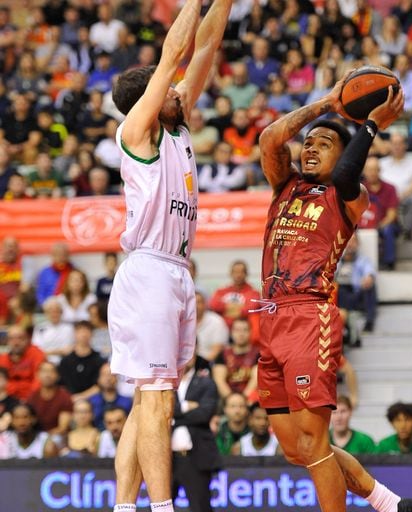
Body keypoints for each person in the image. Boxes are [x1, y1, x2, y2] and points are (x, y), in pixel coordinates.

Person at [256, 70, 412, 512]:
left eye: (324, 144)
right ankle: (389, 503)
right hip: (271, 318)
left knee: (315, 443)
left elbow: (350, 169)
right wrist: (326, 105)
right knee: (297, 450)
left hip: (308, 317)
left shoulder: (349, 196)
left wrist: (368, 125)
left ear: (342, 154)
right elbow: (271, 139)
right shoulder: (286, 185)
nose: (311, 147)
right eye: (309, 143)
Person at [107, 0, 233, 510]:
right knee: (159, 401)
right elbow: (176, 51)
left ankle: (123, 506)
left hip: (176, 272)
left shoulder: (177, 128)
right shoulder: (137, 132)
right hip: (149, 270)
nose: (183, 92)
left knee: (147, 399)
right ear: (150, 100)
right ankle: (162, 507)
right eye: (172, 90)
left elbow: (204, 46)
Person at [171, 356, 221, 512]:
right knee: (159, 507)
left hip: (195, 457)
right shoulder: (163, 385)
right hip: (166, 458)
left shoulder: (206, 383)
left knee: (200, 507)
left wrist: (173, 418)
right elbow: (158, 413)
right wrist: (186, 406)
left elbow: (204, 414)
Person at [379, 131, 412, 241]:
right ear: (390, 145)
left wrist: (400, 195)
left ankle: (406, 231)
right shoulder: (381, 163)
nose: (397, 147)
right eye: (394, 143)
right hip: (384, 198)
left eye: (399, 143)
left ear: (405, 145)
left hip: (403, 197)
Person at [335, 233, 378, 333]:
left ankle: (369, 322)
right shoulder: (336, 261)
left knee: (371, 286)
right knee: (339, 289)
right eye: (347, 241)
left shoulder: (363, 260)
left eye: (353, 241)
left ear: (358, 244)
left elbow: (370, 272)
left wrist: (369, 278)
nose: (350, 244)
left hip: (357, 296)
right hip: (339, 295)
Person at [212, 317, 259, 401]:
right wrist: (232, 400)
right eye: (237, 330)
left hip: (251, 400)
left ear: (251, 332)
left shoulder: (258, 354)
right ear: (231, 332)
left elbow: (256, 380)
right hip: (228, 401)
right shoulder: (223, 354)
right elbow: (219, 381)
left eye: (245, 330)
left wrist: (243, 400)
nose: (241, 334)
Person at [0, 324, 45, 401]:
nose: (16, 342)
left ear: (27, 339)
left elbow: (38, 381)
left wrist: (29, 398)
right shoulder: (2, 359)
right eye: (12, 339)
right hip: (8, 401)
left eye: (20, 338)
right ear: (7, 341)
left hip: (33, 399)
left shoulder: (37, 354)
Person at [89, 363, 132, 430]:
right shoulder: (91, 402)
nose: (108, 378)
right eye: (104, 375)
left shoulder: (127, 402)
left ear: (117, 378)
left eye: (111, 375)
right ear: (98, 378)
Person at [35, 242, 74, 307]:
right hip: (49, 306)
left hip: (69, 306)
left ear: (68, 255)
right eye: (58, 254)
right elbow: (40, 294)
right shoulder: (44, 273)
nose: (61, 257)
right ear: (52, 255)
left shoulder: (74, 272)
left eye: (64, 254)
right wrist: (45, 305)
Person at [215, 391, 250, 455]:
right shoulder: (218, 432)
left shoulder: (253, 433)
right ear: (225, 409)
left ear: (247, 409)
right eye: (233, 406)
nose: (237, 411)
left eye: (241, 406)